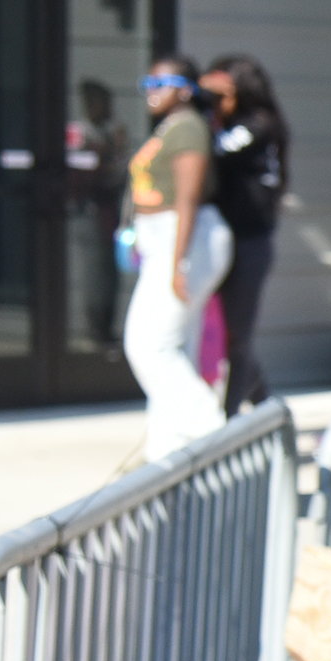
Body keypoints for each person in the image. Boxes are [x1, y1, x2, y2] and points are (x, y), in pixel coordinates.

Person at [123, 57, 233, 460]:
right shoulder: (171, 126)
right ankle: (168, 454)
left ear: (185, 89)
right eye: (148, 81)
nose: (152, 89)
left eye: (163, 82)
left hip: (185, 240)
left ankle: (212, 435)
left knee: (149, 346)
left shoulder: (188, 126)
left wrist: (177, 262)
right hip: (166, 241)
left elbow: (187, 198)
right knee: (176, 347)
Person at [200, 53, 290, 413]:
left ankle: (230, 418)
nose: (213, 103)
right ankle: (266, 406)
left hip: (249, 242)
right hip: (219, 239)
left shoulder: (259, 125)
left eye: (221, 93)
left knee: (237, 335)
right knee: (228, 332)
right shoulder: (226, 124)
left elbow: (217, 152)